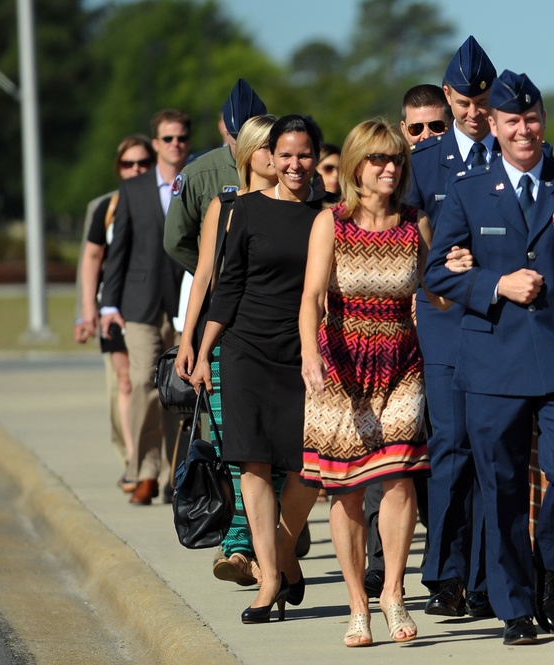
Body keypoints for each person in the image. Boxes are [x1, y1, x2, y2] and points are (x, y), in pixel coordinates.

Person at [423, 69, 554, 645]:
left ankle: (543, 563)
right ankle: (515, 610)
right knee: (502, 485)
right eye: (511, 120)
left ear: (543, 121)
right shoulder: (467, 189)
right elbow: (437, 272)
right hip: (491, 360)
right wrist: (494, 285)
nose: (523, 130)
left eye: (532, 118)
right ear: (493, 122)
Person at [299, 119, 457, 647]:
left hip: (400, 360)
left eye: (396, 159)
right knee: (343, 489)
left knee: (400, 477)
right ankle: (357, 604)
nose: (390, 167)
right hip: (340, 363)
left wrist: (456, 272)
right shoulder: (331, 223)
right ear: (355, 168)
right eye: (378, 160)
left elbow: (438, 298)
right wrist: (310, 354)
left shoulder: (418, 224)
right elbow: (312, 296)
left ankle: (394, 591)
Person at [189, 115, 324, 624]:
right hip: (245, 348)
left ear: (316, 156)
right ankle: (268, 579)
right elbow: (228, 287)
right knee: (253, 464)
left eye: (304, 154)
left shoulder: (327, 215)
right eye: (284, 154)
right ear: (269, 157)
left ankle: (284, 554)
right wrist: (204, 351)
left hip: (304, 352)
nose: (293, 164)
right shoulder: (242, 211)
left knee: (308, 466)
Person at [405, 35, 498, 619]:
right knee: (450, 446)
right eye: (461, 101)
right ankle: (445, 573)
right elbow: (404, 237)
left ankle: (491, 577)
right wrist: (436, 268)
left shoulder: (513, 155)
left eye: (480, 99)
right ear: (447, 95)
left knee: (494, 449)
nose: (471, 111)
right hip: (442, 321)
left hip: (499, 322)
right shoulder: (422, 163)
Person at [174, 114, 280, 587]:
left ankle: (272, 539)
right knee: (235, 449)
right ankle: (239, 549)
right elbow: (203, 278)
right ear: (249, 154)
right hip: (227, 341)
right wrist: (188, 343)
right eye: (270, 148)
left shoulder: (313, 207)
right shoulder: (226, 205)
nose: (281, 157)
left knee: (283, 453)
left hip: (289, 344)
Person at [99, 109, 190, 505]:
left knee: (178, 391)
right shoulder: (133, 190)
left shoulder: (197, 183)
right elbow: (116, 252)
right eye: (168, 139)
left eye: (181, 138)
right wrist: (107, 306)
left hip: (184, 302)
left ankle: (175, 475)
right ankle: (143, 471)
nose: (176, 145)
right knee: (141, 384)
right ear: (155, 144)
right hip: (138, 304)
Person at [75, 134, 154, 491]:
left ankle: (154, 462)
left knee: (150, 384)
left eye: (143, 163)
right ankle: (133, 460)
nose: (136, 169)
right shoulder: (105, 206)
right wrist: (86, 311)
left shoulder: (166, 199)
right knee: (125, 382)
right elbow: (90, 259)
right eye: (128, 164)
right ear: (118, 168)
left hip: (153, 303)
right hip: (114, 304)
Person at [164, 78, 267, 275]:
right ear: (225, 130)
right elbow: (175, 241)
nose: (246, 150)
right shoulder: (198, 173)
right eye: (239, 142)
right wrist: (214, 276)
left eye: (254, 142)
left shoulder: (282, 167)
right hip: (223, 295)